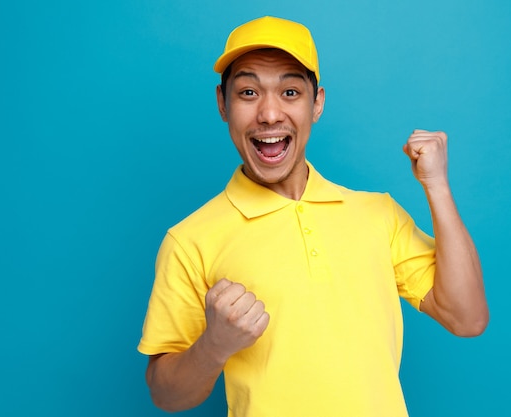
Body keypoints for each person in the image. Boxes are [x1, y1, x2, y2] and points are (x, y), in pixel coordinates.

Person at [138, 16, 488, 417]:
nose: (269, 114)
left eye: (289, 91)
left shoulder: (377, 214)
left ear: (317, 103)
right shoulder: (190, 240)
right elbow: (166, 396)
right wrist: (213, 346)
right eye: (248, 92)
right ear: (222, 103)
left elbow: (467, 318)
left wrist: (437, 187)